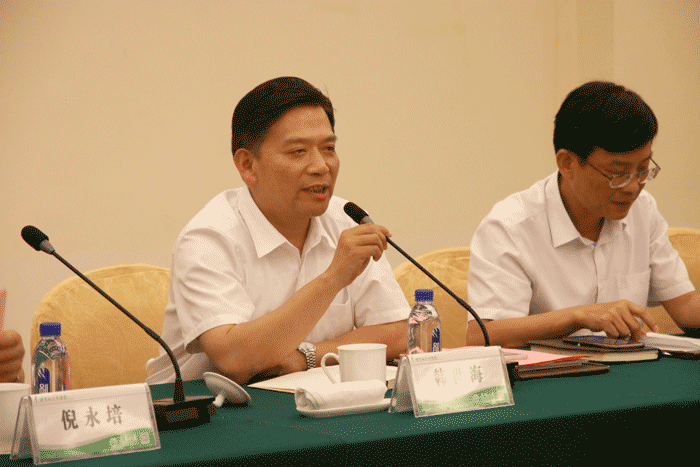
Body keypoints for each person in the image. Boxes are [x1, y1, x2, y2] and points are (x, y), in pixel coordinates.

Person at [146, 77, 409, 385]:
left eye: (328, 148)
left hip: (312, 398)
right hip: (204, 406)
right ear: (247, 165)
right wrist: (334, 277)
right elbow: (233, 359)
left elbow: (398, 331)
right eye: (298, 151)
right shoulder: (208, 239)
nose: (321, 166)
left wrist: (306, 356)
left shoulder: (345, 220)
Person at [466, 81, 700, 347]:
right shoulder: (509, 226)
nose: (633, 187)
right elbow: (482, 336)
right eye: (617, 174)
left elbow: (685, 306)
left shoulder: (643, 210)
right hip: (551, 371)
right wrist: (577, 316)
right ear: (567, 163)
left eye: (643, 169)